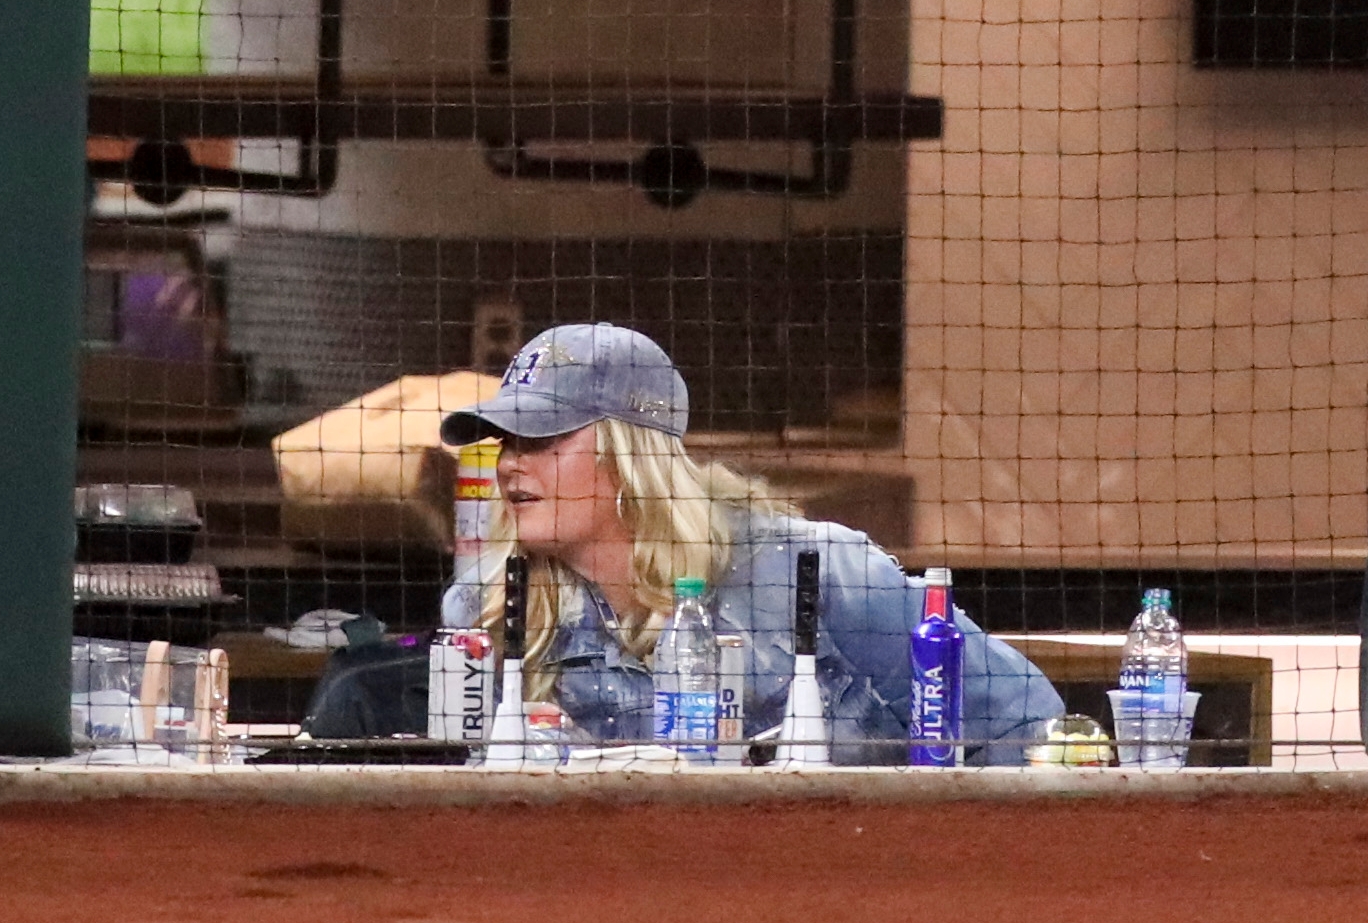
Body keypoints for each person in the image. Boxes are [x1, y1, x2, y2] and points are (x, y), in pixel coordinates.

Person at [446, 323, 1061, 763]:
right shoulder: (488, 608)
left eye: (541, 441)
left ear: (630, 455)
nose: (509, 466)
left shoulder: (816, 571)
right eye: (506, 441)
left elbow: (1028, 723)